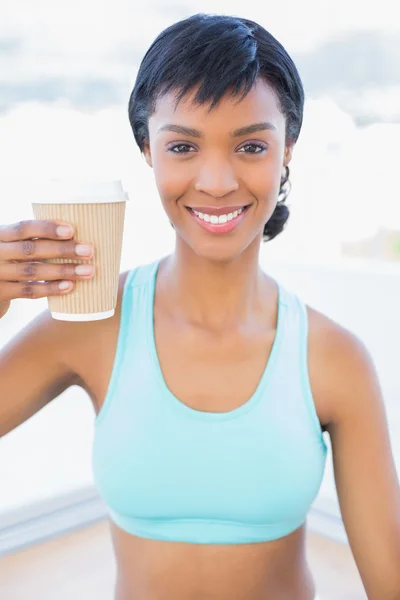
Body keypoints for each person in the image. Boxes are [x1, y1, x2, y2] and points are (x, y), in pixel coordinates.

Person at [0, 12, 400, 600]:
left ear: (287, 150)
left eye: (251, 146)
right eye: (183, 145)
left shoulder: (335, 360)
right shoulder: (92, 327)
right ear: (147, 150)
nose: (216, 181)